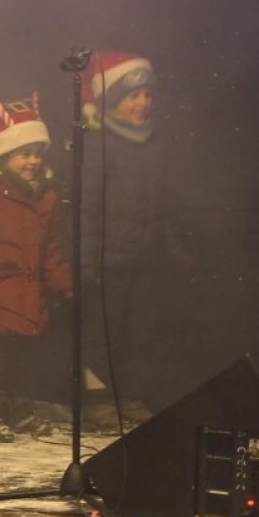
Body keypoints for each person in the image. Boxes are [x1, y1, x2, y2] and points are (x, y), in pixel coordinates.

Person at [0, 94, 73, 441]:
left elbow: (50, 247)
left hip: (29, 291)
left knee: (25, 358)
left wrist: (62, 284)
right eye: (24, 154)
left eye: (38, 154)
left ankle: (20, 410)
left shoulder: (45, 196)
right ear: (2, 155)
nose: (32, 161)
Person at [78, 51, 173, 427]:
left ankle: (130, 396)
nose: (143, 103)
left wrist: (168, 251)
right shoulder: (98, 144)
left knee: (139, 332)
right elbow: (87, 208)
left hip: (144, 259)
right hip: (107, 260)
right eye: (134, 96)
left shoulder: (153, 145)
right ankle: (98, 401)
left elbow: (162, 206)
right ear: (113, 99)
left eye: (148, 96)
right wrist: (87, 262)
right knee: (102, 335)